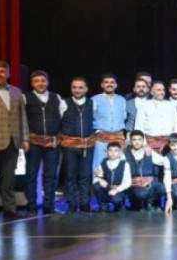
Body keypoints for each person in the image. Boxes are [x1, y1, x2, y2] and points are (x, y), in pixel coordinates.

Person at [0, 60, 30, 221]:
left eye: (2, 71)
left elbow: (22, 117)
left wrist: (25, 138)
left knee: (8, 181)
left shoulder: (16, 91)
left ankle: (10, 211)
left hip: (12, 142)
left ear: (8, 74)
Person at [24, 70, 65, 214]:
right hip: (34, 142)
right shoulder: (25, 98)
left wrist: (60, 136)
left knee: (51, 174)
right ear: (32, 83)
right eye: (36, 81)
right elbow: (22, 120)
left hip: (52, 142)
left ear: (47, 82)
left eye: (43, 80)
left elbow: (63, 117)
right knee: (31, 174)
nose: (40, 83)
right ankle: (31, 204)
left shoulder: (56, 97)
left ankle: (49, 205)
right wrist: (24, 138)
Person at [60, 77, 95, 213]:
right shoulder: (64, 103)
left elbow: (95, 121)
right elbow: (59, 122)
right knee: (70, 176)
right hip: (70, 146)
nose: (77, 90)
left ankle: (85, 203)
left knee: (85, 176)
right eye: (74, 87)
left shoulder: (92, 103)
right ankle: (72, 204)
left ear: (86, 89)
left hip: (87, 146)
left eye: (80, 87)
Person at [134, 81, 177, 153]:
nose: (162, 92)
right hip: (151, 142)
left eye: (163, 90)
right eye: (158, 90)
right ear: (151, 92)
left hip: (170, 142)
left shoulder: (171, 105)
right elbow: (139, 127)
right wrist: (144, 145)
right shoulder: (144, 106)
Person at [91, 73, 126, 175]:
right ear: (102, 85)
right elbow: (91, 118)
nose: (109, 84)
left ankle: (117, 185)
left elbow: (124, 117)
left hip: (118, 138)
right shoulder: (95, 99)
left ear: (116, 85)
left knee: (119, 167)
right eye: (106, 82)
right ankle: (98, 184)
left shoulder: (122, 100)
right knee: (99, 166)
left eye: (112, 82)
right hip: (101, 139)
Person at [123, 130, 164, 211]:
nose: (137, 142)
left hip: (149, 182)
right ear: (131, 141)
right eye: (134, 139)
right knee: (140, 193)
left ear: (143, 141)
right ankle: (136, 203)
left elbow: (163, 161)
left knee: (162, 188)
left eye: (139, 139)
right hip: (134, 184)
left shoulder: (149, 152)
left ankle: (149, 202)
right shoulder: (126, 155)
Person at [93, 142, 131, 213]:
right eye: (110, 150)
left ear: (120, 152)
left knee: (117, 200)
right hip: (107, 188)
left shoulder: (125, 164)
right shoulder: (103, 163)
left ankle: (119, 206)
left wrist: (116, 190)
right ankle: (103, 206)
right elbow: (95, 180)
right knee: (97, 185)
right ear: (107, 152)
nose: (113, 153)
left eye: (116, 150)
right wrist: (99, 179)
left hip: (118, 190)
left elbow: (128, 182)